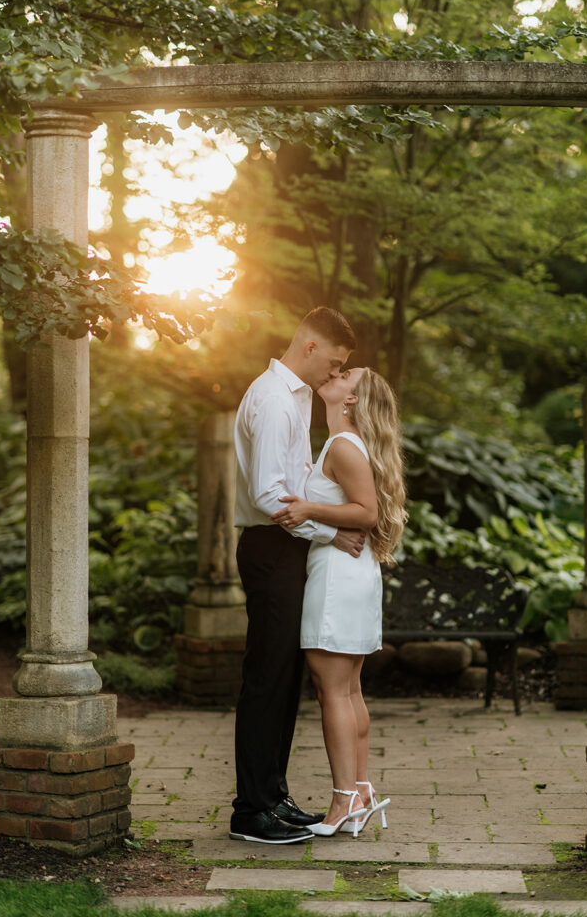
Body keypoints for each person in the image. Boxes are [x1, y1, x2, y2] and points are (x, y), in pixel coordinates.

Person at [230, 307, 366, 845]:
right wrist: (333, 532)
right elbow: (269, 496)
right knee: (267, 677)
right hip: (270, 547)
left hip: (288, 546)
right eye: (334, 362)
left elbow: (297, 480)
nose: (335, 374)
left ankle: (273, 794)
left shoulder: (299, 398)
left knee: (286, 677)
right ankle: (251, 811)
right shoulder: (271, 398)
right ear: (310, 347)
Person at [271, 367, 407, 837]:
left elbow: (366, 512)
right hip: (351, 573)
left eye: (346, 374)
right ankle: (361, 790)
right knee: (348, 690)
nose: (335, 373)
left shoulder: (346, 445)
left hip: (337, 577)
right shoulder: (344, 443)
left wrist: (308, 508)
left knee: (332, 689)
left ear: (350, 400)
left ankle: (343, 800)